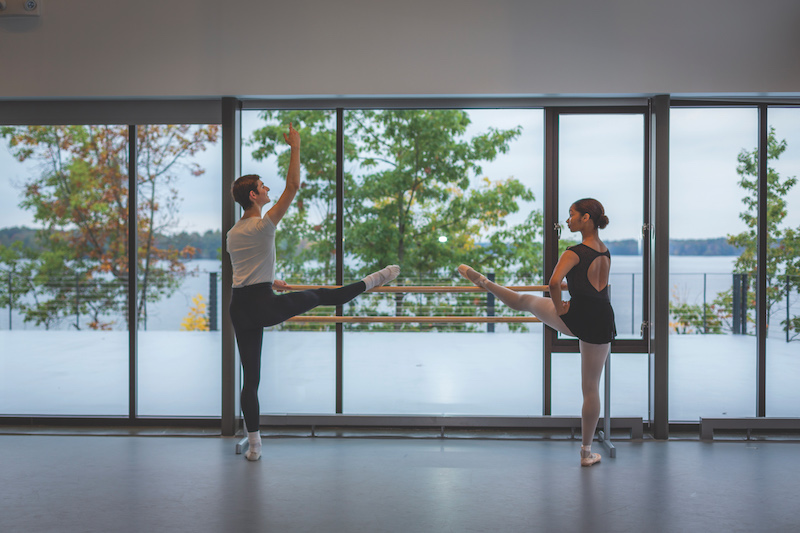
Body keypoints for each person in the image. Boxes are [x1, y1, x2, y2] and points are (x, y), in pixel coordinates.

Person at [227, 123, 399, 461]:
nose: (268, 190)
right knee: (322, 294)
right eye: (262, 187)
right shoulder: (263, 224)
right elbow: (293, 186)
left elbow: (242, 271)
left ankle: (255, 446)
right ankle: (375, 280)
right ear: (253, 196)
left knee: (251, 377)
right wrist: (296, 146)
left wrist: (270, 280)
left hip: (240, 305)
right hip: (261, 305)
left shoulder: (233, 233)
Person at [458, 198, 615, 467]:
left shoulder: (574, 251)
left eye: (571, 215)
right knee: (591, 389)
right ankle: (586, 453)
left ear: (586, 218)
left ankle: (485, 283)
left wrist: (560, 309)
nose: (568, 220)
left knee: (526, 301)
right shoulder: (605, 251)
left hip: (577, 316)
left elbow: (554, 282)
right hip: (603, 318)